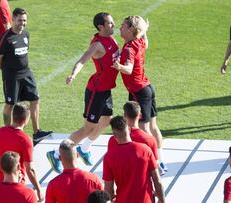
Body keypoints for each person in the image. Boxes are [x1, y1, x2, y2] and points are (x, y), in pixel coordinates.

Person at [47, 12, 119, 173]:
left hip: (106, 89)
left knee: (106, 120)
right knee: (88, 128)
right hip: (96, 90)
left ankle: (84, 149)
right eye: (110, 23)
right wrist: (73, 74)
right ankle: (55, 152)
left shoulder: (111, 39)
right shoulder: (97, 45)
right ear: (101, 27)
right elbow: (82, 60)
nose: (113, 25)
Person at [113, 15, 166, 171]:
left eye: (123, 25)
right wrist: (144, 31)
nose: (120, 27)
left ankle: (154, 165)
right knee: (154, 128)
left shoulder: (129, 48)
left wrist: (118, 66)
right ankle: (161, 161)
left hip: (139, 92)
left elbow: (128, 69)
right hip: (147, 88)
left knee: (144, 130)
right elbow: (146, 42)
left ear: (130, 29)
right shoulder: (139, 41)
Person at [0, 7, 52, 144]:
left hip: (26, 73)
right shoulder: (6, 38)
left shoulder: (26, 34)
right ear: (13, 20)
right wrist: (8, 71)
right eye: (20, 20)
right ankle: (8, 132)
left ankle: (37, 132)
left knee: (35, 98)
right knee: (10, 104)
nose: (22, 23)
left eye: (24, 20)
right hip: (12, 76)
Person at [103, 116, 165, 203]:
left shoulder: (108, 157)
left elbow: (108, 189)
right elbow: (157, 181)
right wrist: (162, 200)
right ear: (128, 129)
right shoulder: (145, 150)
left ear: (114, 134)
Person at [0, 102, 44, 201]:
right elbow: (30, 170)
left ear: (12, 116)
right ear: (26, 120)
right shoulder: (25, 140)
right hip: (17, 188)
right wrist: (39, 189)